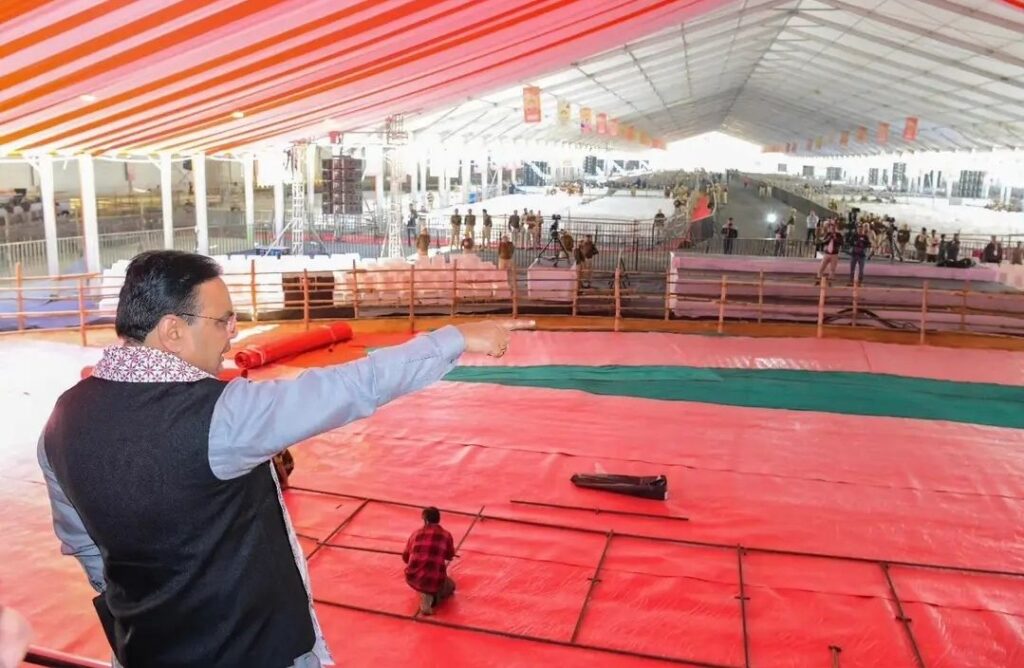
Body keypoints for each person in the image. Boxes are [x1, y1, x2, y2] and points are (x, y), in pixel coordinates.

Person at [37, 250, 533, 668]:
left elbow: (85, 547)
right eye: (222, 321)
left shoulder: (61, 420)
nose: (231, 334)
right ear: (172, 331)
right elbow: (349, 387)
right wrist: (455, 338)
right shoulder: (221, 416)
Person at [402, 507, 456, 616]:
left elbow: (405, 557)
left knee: (426, 578)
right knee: (451, 586)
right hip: (435, 579)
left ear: (425, 520)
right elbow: (450, 555)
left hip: (413, 576)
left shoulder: (415, 534)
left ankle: (426, 591)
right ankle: (431, 597)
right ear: (438, 519)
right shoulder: (446, 535)